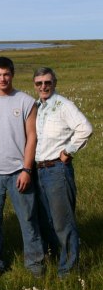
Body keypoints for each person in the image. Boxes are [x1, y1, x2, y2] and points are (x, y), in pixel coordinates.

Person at [0, 56, 44, 277]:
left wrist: (26, 169)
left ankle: (35, 265)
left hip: (18, 172)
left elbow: (32, 137)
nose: (2, 78)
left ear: (12, 74)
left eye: (6, 74)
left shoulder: (25, 101)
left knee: (28, 219)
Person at [33, 67, 92, 277]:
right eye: (39, 83)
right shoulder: (38, 106)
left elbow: (85, 128)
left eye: (47, 82)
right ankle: (57, 258)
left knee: (62, 222)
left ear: (54, 83)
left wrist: (69, 150)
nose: (43, 86)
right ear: (35, 85)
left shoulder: (64, 105)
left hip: (57, 169)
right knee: (46, 220)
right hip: (38, 171)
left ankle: (68, 271)